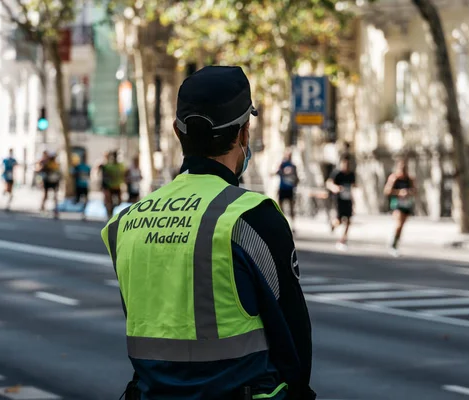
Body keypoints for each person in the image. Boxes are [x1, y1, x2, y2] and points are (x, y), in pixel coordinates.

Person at [102, 66, 314, 400]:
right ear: (244, 134)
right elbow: (293, 336)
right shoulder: (252, 217)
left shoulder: (127, 222)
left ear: (177, 131)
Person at [384, 158, 416, 257]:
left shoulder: (409, 179)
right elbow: (387, 191)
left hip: (406, 204)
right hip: (396, 203)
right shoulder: (394, 178)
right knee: (398, 224)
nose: (402, 170)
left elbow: (415, 191)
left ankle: (395, 243)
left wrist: (408, 192)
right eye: (401, 168)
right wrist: (399, 192)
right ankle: (393, 244)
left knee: (401, 225)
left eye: (404, 168)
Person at [326, 156, 356, 250]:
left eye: (348, 164)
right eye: (344, 164)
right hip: (339, 200)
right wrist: (335, 188)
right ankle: (333, 224)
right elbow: (329, 183)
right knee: (339, 220)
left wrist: (354, 201)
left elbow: (353, 187)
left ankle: (343, 240)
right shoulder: (337, 173)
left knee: (348, 220)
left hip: (348, 199)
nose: (346, 166)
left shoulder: (351, 175)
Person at [275, 149, 299, 228]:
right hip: (282, 188)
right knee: (281, 208)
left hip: (290, 189)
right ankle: (282, 224)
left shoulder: (293, 166)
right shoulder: (282, 164)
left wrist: (295, 185)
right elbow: (277, 172)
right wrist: (283, 172)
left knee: (292, 208)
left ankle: (293, 225)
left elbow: (296, 177)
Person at [103, 150, 125, 218]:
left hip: (118, 186)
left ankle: (112, 208)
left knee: (119, 202)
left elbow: (125, 174)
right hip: (109, 187)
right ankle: (109, 213)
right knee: (109, 202)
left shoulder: (121, 166)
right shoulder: (108, 166)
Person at [40, 151, 62, 219]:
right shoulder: (48, 163)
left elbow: (59, 174)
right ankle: (43, 208)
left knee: (54, 196)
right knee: (46, 195)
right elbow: (42, 170)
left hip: (54, 181)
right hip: (48, 181)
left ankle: (55, 210)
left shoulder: (56, 164)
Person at [71, 154, 92, 221]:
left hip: (83, 185)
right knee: (79, 200)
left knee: (84, 199)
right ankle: (81, 211)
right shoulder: (79, 167)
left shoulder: (85, 167)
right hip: (80, 185)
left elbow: (73, 174)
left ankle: (83, 212)